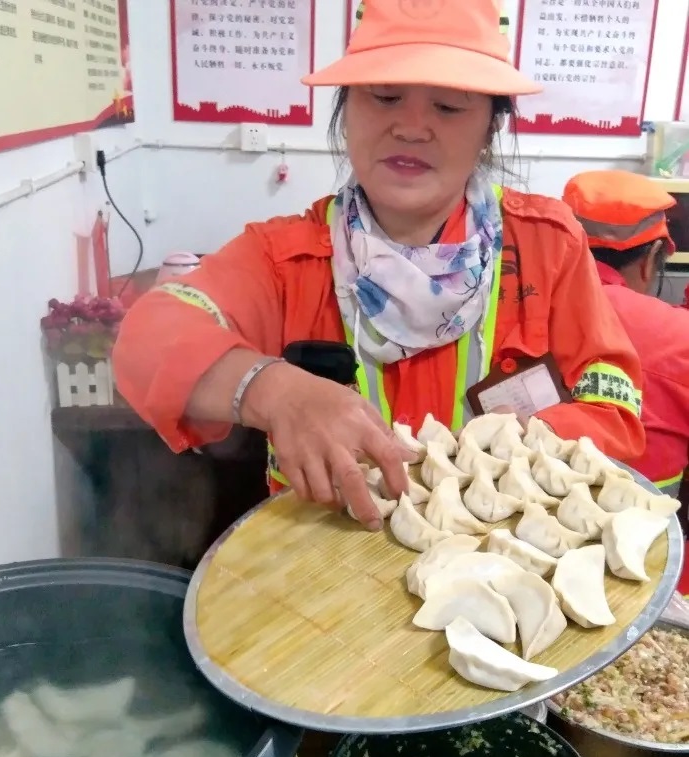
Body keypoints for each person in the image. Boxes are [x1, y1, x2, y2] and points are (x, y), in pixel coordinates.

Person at [113, 0, 644, 531]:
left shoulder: (547, 247)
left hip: (498, 556)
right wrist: (271, 389)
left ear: (490, 126)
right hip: (327, 557)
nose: (411, 128)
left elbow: (612, 403)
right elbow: (148, 337)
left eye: (448, 107)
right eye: (385, 97)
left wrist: (529, 442)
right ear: (346, 110)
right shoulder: (286, 260)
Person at [563, 169, 689, 597]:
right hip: (647, 573)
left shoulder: (512, 319)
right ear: (652, 257)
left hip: (527, 557)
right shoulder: (679, 337)